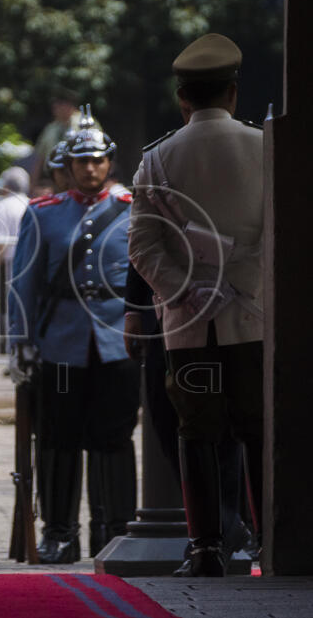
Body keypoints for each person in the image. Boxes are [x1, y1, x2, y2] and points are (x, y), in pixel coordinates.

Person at [128, 33, 264, 577]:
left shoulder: (157, 159)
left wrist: (188, 288)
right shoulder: (267, 147)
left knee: (197, 429)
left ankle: (206, 547)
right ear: (232, 92)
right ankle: (269, 540)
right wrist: (246, 282)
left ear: (183, 98)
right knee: (258, 429)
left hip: (190, 325)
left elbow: (144, 247)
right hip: (255, 319)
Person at [8, 108, 139, 564]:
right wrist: (20, 341)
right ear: (67, 167)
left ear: (109, 163)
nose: (89, 169)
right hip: (61, 341)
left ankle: (115, 528)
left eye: (97, 161)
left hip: (114, 339)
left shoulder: (131, 211)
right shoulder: (44, 214)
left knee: (115, 438)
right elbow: (23, 282)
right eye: (81, 161)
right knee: (58, 440)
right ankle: (60, 532)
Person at [30, 87, 81, 189]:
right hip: (54, 179)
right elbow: (40, 158)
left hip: (79, 178)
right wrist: (33, 185)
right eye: (55, 106)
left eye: (60, 105)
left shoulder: (83, 123)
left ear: (69, 105)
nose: (56, 109)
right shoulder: (50, 128)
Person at [0, 166, 30, 265]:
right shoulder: (31, 204)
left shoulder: (1, 206)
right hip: (29, 261)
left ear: (5, 186)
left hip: (8, 263)